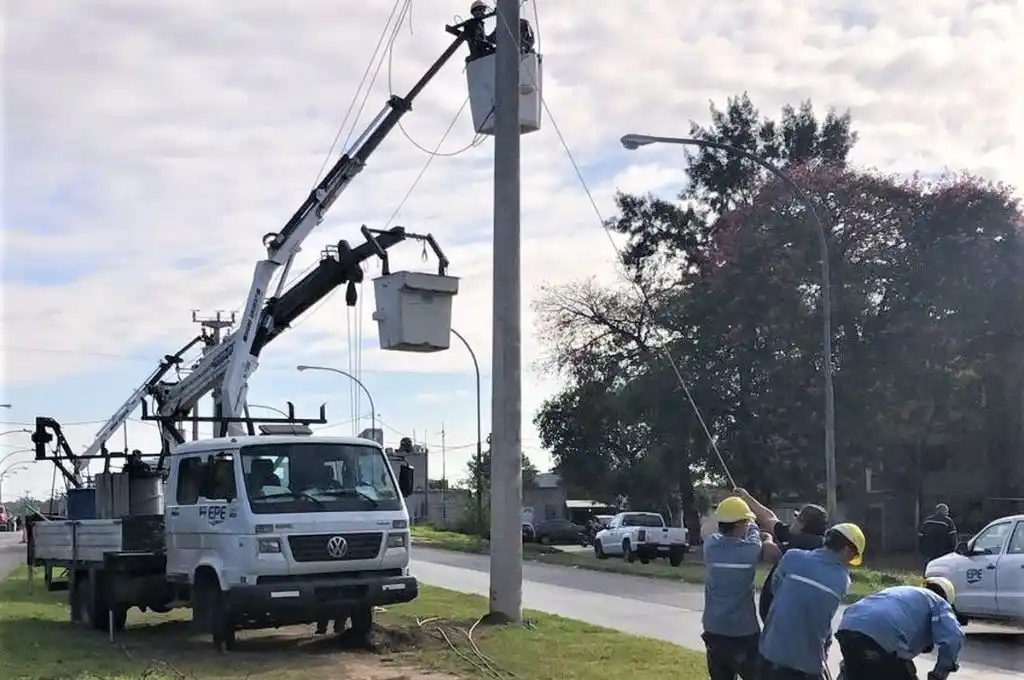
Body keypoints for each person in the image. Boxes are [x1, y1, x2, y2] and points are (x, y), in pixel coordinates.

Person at [760, 522, 866, 680]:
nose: (850, 563)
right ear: (846, 550)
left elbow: (775, 590)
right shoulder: (842, 579)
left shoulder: (792, 557)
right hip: (807, 664)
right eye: (852, 557)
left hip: (770, 653)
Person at [702, 496, 782, 680]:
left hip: (713, 629)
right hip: (743, 631)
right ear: (739, 525)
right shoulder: (751, 550)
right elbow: (755, 535)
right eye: (745, 522)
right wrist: (756, 525)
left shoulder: (710, 546)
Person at [836, 576, 963, 680]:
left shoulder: (905, 592)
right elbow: (953, 637)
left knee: (856, 671)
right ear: (947, 598)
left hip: (848, 625)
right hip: (884, 633)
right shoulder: (939, 603)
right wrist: (939, 672)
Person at [733, 489, 829, 622]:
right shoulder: (801, 536)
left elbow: (771, 555)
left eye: (796, 517)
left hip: (786, 620)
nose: (792, 519)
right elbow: (770, 519)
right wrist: (747, 498)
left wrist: (767, 539)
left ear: (803, 523)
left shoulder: (807, 543)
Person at [918, 504, 958, 569]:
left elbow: (920, 535)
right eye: (947, 511)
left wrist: (921, 548)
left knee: (928, 564)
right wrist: (954, 549)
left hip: (928, 548)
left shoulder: (927, 520)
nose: (948, 513)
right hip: (942, 549)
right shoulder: (948, 521)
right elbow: (953, 537)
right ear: (944, 511)